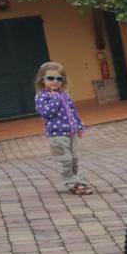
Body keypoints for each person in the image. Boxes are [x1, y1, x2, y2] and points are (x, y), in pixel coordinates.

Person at [34, 62, 93, 196]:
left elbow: (73, 111)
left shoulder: (64, 94)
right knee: (64, 160)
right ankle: (71, 184)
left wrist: (79, 126)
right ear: (42, 80)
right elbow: (46, 113)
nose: (55, 81)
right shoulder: (42, 96)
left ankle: (78, 180)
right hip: (57, 135)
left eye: (59, 79)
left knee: (74, 158)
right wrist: (55, 100)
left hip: (71, 132)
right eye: (50, 78)